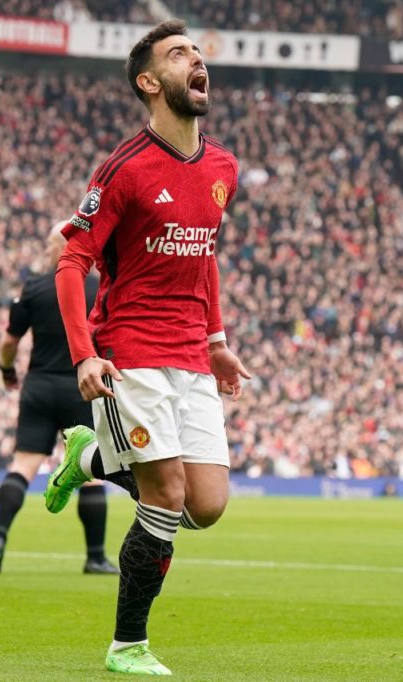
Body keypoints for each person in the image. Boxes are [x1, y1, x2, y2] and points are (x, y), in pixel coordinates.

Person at [44, 21, 250, 676]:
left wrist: (217, 341)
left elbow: (206, 253)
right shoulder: (124, 169)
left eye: (197, 53)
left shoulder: (223, 167)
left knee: (206, 507)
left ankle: (94, 455)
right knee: (163, 496)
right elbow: (71, 260)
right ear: (148, 81)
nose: (196, 60)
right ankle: (127, 644)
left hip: (192, 354)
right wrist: (84, 355)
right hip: (129, 347)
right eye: (178, 53)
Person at [0, 221, 119, 575]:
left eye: (48, 244)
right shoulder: (100, 289)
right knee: (89, 472)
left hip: (38, 387)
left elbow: (10, 344)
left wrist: (7, 372)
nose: (44, 251)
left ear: (64, 246)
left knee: (24, 465)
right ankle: (95, 556)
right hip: (83, 387)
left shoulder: (33, 288)